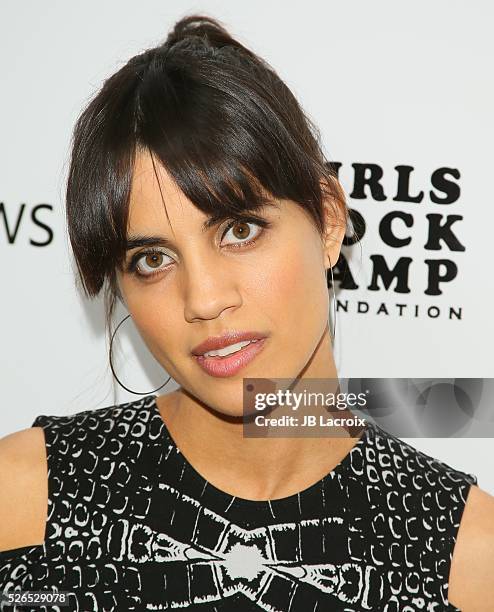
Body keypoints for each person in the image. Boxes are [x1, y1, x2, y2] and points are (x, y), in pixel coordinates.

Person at [1, 13, 493, 612]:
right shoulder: (26, 498)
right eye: (152, 259)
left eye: (239, 230)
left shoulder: (469, 559)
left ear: (329, 221)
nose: (204, 299)